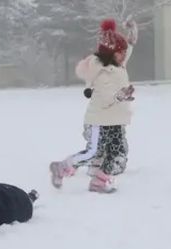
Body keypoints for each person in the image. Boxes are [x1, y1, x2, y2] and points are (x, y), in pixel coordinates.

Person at [49, 19, 137, 193]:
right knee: (93, 152)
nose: (124, 55)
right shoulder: (103, 73)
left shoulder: (118, 65)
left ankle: (99, 181)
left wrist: (132, 32)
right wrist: (121, 95)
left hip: (116, 120)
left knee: (116, 152)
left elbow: (130, 47)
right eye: (121, 52)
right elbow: (106, 99)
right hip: (100, 120)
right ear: (111, 54)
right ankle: (61, 167)